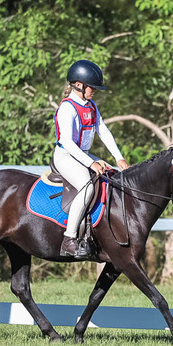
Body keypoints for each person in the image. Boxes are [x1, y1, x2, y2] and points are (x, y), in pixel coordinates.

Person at [53, 59, 129, 258]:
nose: (94, 91)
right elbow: (67, 143)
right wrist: (91, 163)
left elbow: (103, 131)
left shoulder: (91, 106)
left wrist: (118, 158)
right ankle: (69, 239)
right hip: (66, 156)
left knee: (112, 175)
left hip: (83, 155)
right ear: (79, 85)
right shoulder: (67, 108)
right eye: (92, 87)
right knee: (87, 186)